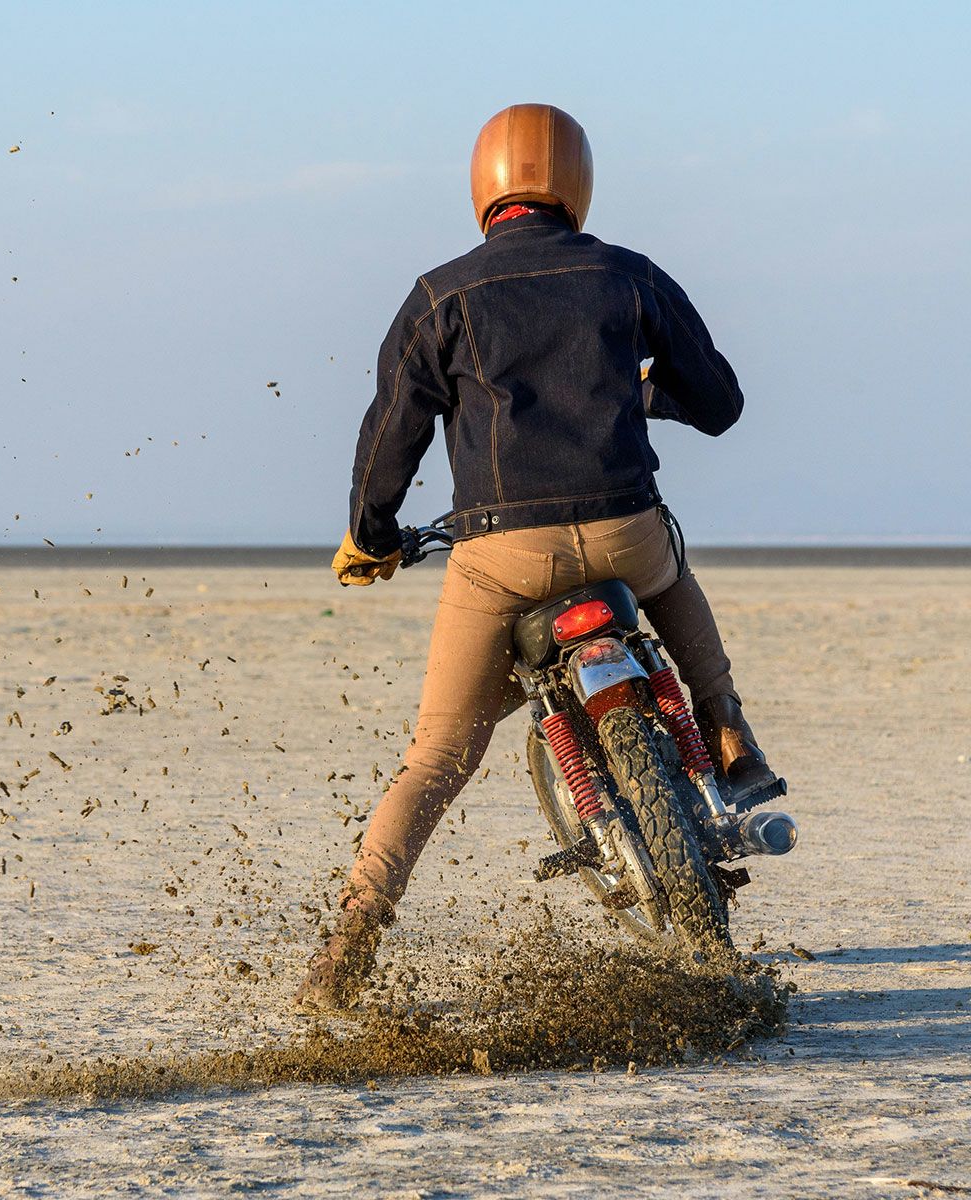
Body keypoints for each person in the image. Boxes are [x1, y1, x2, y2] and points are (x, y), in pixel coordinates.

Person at [296, 103, 782, 1011]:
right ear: (577, 185)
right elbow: (718, 402)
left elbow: (389, 437)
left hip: (499, 558)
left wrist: (370, 536)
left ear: (483, 188)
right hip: (623, 535)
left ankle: (348, 947)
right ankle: (724, 725)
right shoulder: (628, 276)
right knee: (671, 570)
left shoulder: (441, 296)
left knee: (439, 752)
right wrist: (645, 397)